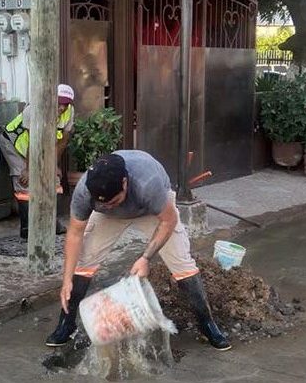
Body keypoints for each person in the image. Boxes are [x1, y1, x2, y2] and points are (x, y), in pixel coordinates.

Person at [47, 150, 231, 351]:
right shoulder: (85, 192)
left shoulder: (148, 184)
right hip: (109, 219)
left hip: (153, 212)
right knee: (83, 263)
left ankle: (207, 324)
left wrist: (145, 258)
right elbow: (74, 234)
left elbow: (168, 221)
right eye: (102, 203)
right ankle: (66, 323)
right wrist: (66, 280)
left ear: (125, 183)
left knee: (182, 265)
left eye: (113, 201)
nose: (107, 206)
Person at [0, 84, 74, 239]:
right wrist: (27, 168)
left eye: (65, 104)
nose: (61, 107)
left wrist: (54, 165)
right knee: (24, 182)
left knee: (55, 181)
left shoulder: (69, 112)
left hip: (41, 147)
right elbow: (32, 142)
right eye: (58, 103)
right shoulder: (33, 110)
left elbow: (63, 140)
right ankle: (27, 228)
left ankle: (52, 222)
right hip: (14, 144)